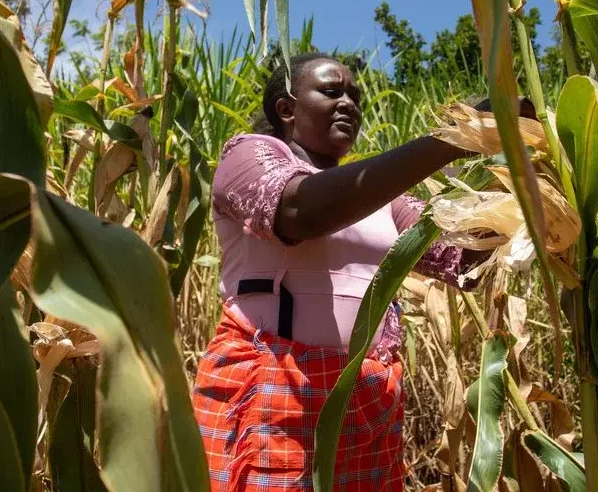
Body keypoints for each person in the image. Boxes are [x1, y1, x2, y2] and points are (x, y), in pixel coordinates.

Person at [191, 52, 534, 491]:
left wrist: (526, 176)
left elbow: (461, 259)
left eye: (355, 95)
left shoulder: (387, 200)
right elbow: (301, 212)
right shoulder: (249, 154)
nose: (349, 103)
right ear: (286, 108)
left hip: (366, 398)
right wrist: (458, 134)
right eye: (332, 91)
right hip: (273, 387)